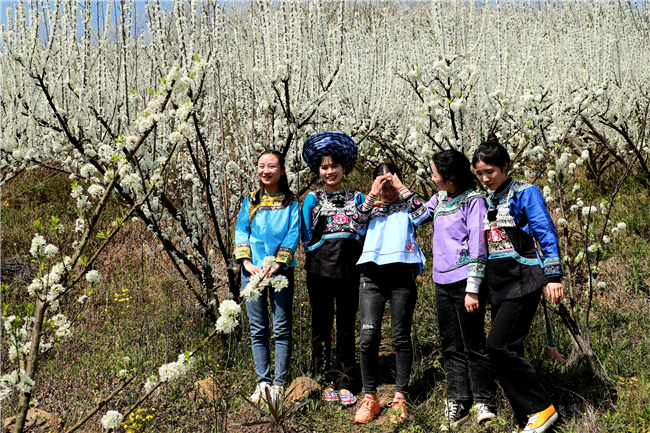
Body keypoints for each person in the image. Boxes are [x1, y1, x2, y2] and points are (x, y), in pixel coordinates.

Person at [472, 135, 564, 433]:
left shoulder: (525, 193)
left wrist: (553, 277)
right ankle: (527, 418)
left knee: (496, 346)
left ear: (505, 167)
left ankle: (541, 408)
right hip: (497, 281)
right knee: (511, 347)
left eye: (491, 172)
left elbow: (545, 231)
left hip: (524, 278)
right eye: (480, 173)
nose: (485, 178)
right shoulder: (485, 199)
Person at [424, 149, 498, 431]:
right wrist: (395, 187)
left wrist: (473, 289)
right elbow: (419, 215)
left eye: (435, 172)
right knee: (450, 345)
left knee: (474, 344)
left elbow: (479, 246)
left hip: (465, 284)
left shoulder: (473, 200)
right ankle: (458, 402)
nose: (432, 177)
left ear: (450, 176)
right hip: (441, 282)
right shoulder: (441, 198)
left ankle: (484, 401)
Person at [350, 163, 430, 424]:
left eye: (390, 183)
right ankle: (370, 398)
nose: (387, 189)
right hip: (371, 275)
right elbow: (355, 226)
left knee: (400, 336)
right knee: (368, 336)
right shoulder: (369, 206)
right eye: (381, 184)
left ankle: (400, 398)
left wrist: (401, 188)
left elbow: (424, 216)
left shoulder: (408, 203)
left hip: (401, 274)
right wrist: (372, 195)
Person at [301, 131, 364, 405]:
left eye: (334, 166)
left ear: (343, 168)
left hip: (350, 270)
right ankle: (321, 378)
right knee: (321, 325)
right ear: (318, 170)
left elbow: (364, 230)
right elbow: (305, 234)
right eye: (324, 167)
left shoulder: (358, 197)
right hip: (318, 270)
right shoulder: (312, 199)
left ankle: (345, 379)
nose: (329, 171)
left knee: (347, 326)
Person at [234, 149, 300, 405]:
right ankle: (263, 381)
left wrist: (278, 263)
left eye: (271, 166)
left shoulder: (290, 202)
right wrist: (247, 263)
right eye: (262, 166)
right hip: (251, 272)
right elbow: (241, 230)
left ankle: (279, 384)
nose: (266, 171)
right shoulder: (250, 200)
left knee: (282, 328)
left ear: (282, 170)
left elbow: (292, 234)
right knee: (258, 328)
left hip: (280, 270)